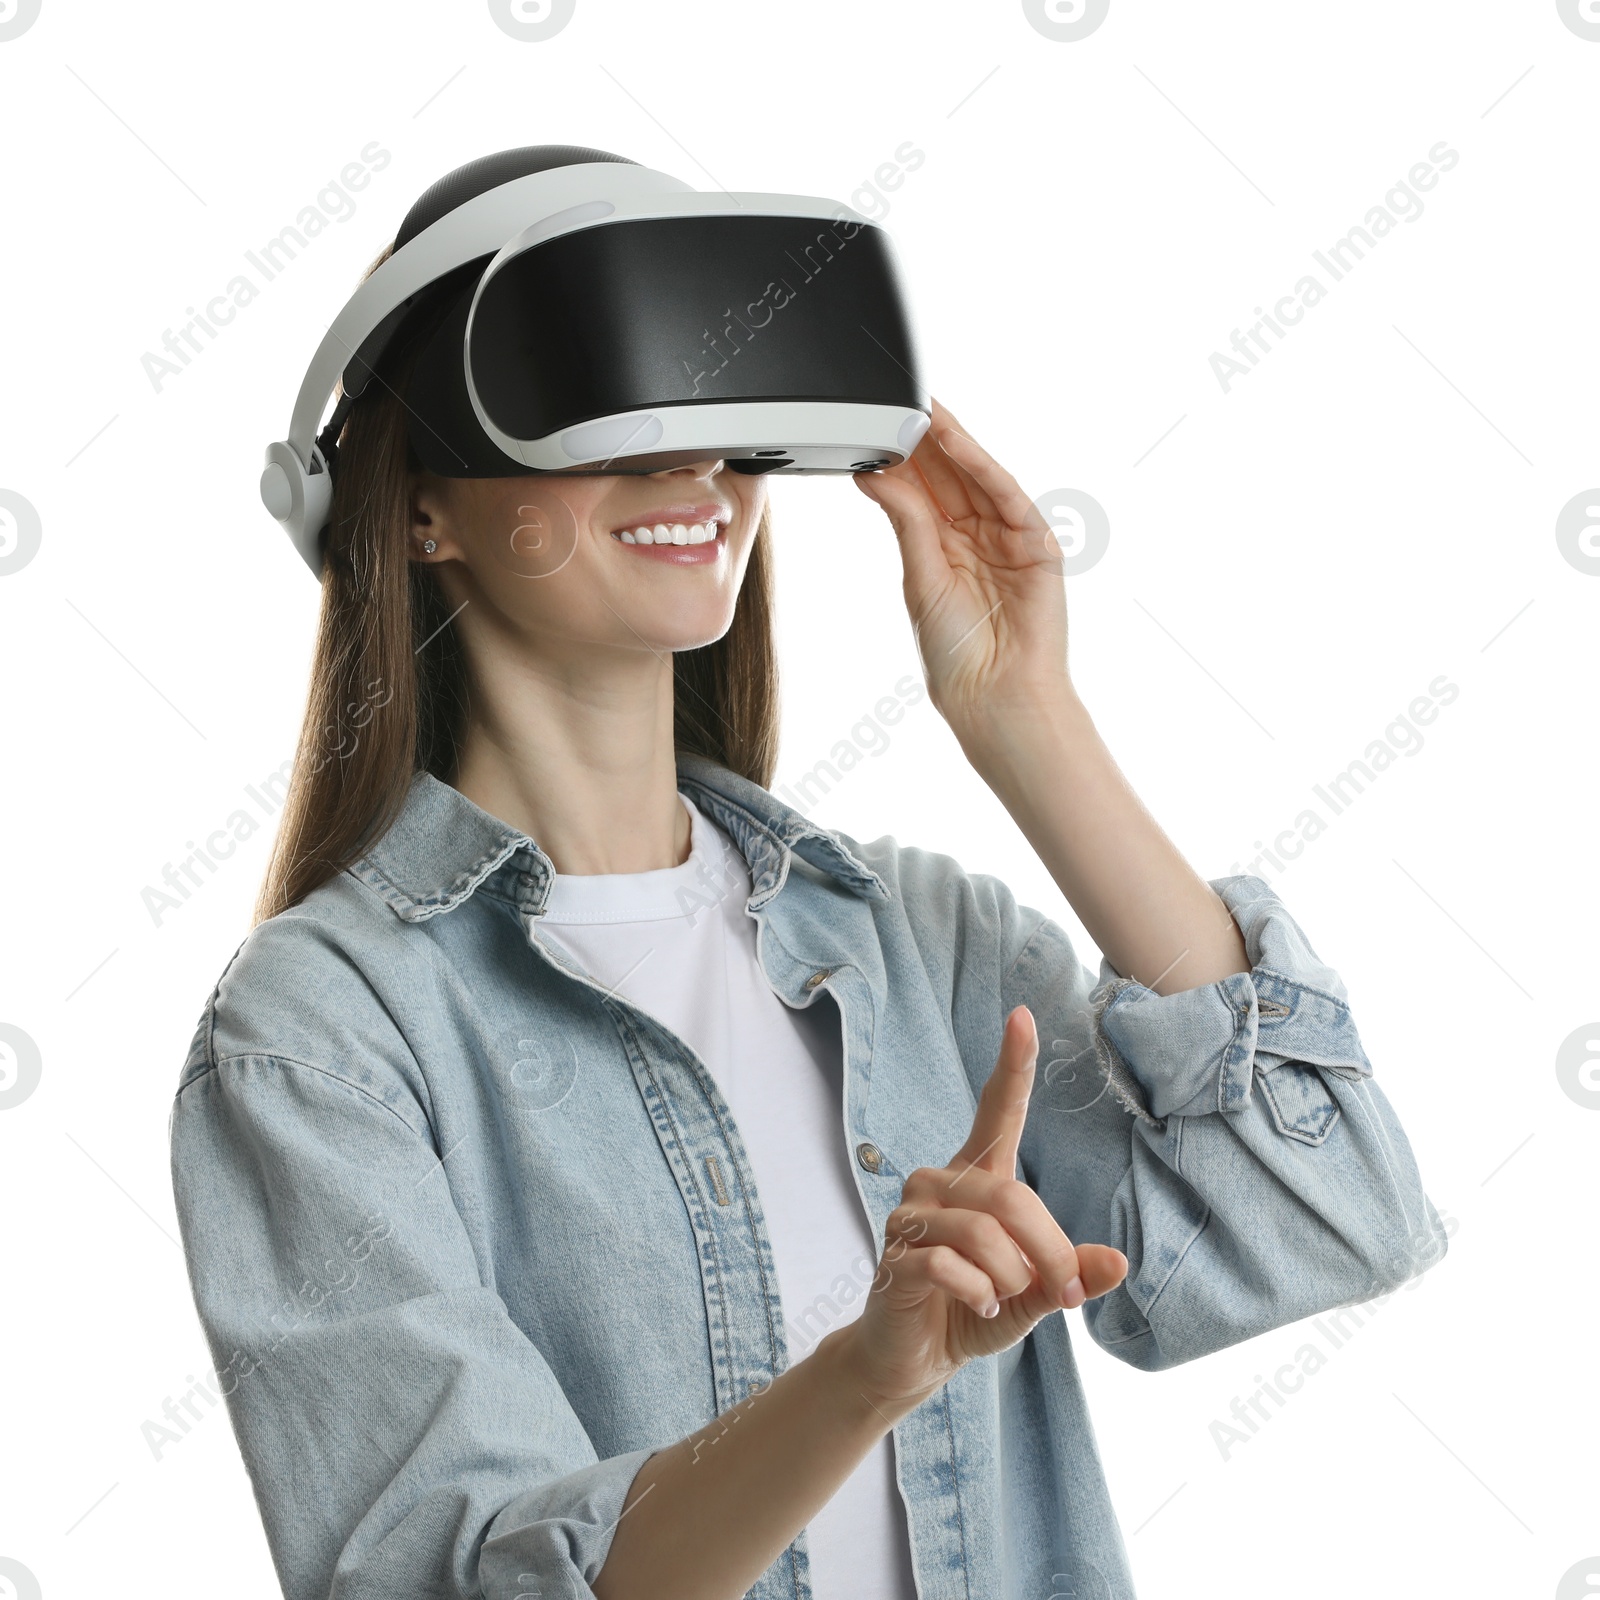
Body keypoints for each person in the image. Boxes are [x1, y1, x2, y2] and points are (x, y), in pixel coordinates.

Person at [169, 149, 1449, 1600]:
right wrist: (868, 1372)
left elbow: (1324, 1221)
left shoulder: (919, 940)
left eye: (721, 414)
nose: (688, 467)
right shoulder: (319, 1040)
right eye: (602, 397)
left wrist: (1026, 719)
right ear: (419, 508)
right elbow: (466, 1579)